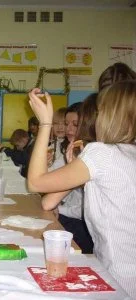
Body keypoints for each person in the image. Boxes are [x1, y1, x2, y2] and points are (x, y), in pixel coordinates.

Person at [27, 82, 136, 297]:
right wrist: (72, 167)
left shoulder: (102, 154)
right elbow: (48, 202)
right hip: (115, 266)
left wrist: (46, 124)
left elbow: (35, 183)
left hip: (121, 276)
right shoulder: (126, 153)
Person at [42, 98, 95, 254]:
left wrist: (60, 209)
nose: (69, 129)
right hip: (71, 213)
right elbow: (50, 180)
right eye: (67, 124)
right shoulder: (71, 148)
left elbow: (85, 209)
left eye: (75, 124)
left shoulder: (91, 154)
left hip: (84, 225)